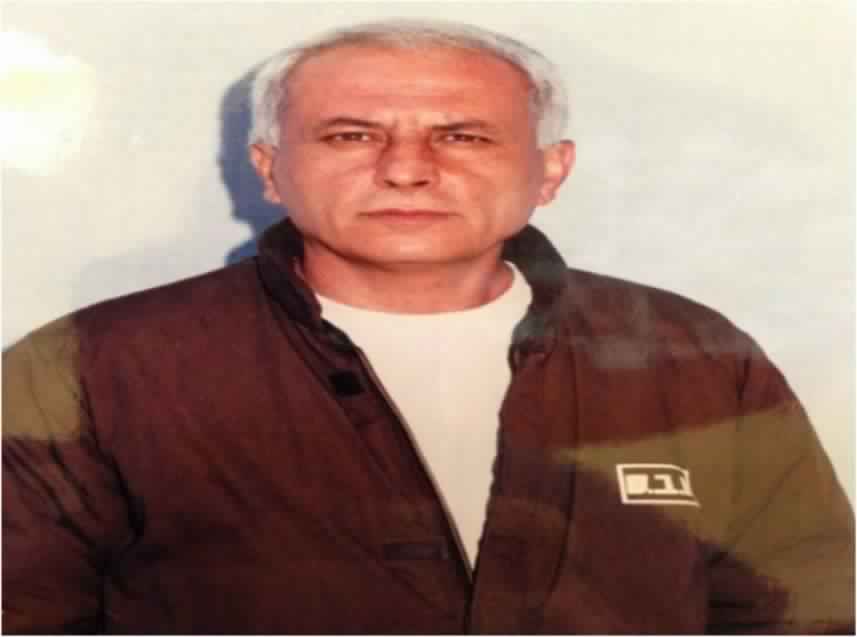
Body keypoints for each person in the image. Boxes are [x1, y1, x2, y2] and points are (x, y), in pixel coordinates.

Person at [2, 18, 853, 634]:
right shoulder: (93, 367)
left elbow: (809, 611)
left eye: (463, 135)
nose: (406, 169)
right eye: (350, 134)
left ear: (549, 171)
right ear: (269, 169)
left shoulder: (689, 354)